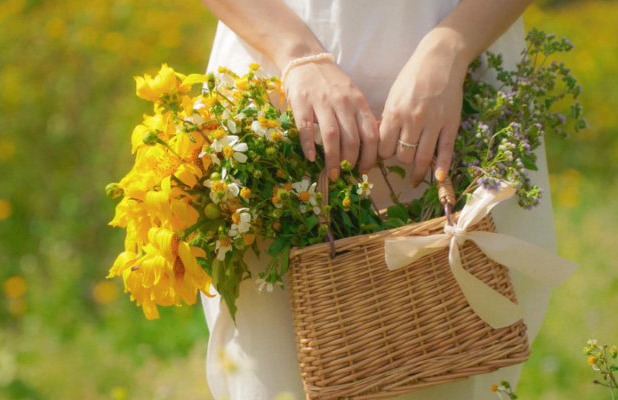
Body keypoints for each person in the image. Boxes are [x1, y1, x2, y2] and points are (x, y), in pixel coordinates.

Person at [198, 1, 557, 399]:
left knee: (456, 367)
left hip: (461, 79)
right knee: (274, 375)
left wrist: (451, 46)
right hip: (277, 81)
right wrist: (296, 52)